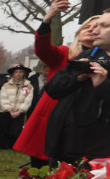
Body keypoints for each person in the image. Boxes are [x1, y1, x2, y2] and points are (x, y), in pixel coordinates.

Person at [15, 0, 100, 167]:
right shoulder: (63, 54)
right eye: (87, 27)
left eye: (97, 27)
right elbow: (43, 49)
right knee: (42, 171)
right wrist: (48, 19)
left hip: (82, 123)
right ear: (78, 32)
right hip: (52, 120)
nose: (91, 29)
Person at [43, 12, 110, 163]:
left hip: (98, 151)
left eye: (104, 26)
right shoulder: (86, 56)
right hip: (65, 143)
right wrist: (78, 77)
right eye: (95, 26)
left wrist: (102, 83)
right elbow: (52, 89)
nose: (95, 31)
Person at [0, 64, 32, 150]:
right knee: (4, 130)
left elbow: (28, 100)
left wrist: (20, 111)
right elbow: (3, 98)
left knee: (15, 131)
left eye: (20, 72)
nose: (18, 74)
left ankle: (13, 146)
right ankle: (3, 146)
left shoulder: (28, 86)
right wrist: (10, 110)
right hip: (5, 111)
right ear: (13, 74)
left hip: (19, 112)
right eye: (16, 72)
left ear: (24, 73)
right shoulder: (6, 85)